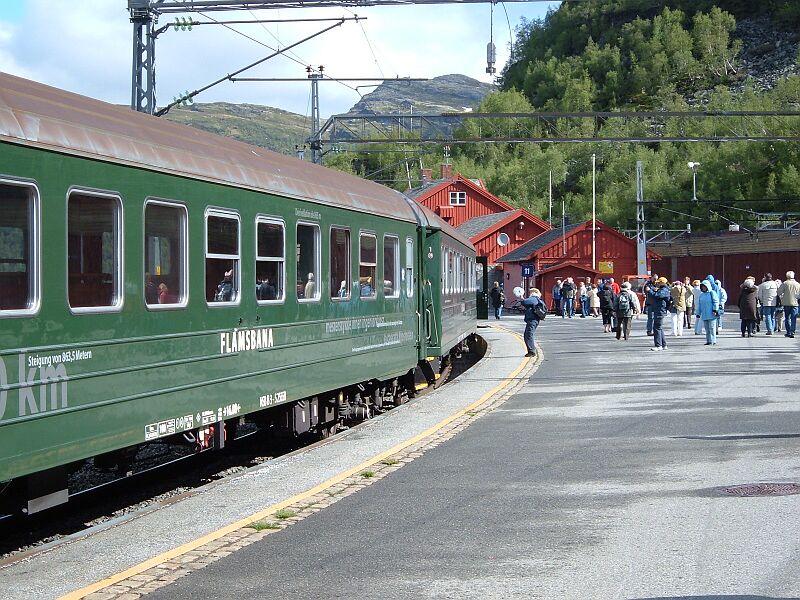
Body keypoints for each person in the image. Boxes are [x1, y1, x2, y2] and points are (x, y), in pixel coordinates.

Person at [646, 277, 671, 351]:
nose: (657, 284)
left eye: (659, 282)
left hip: (660, 310)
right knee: (659, 327)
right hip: (659, 309)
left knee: (656, 327)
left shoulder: (664, 290)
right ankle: (664, 345)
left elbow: (657, 296)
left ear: (662, 283)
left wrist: (650, 291)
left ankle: (658, 345)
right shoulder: (663, 289)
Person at [521, 287, 545, 357]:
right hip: (534, 319)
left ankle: (531, 351)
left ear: (533, 293)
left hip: (532, 319)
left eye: (530, 292)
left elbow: (525, 302)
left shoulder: (533, 298)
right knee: (528, 334)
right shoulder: (537, 299)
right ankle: (531, 350)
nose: (529, 294)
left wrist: (521, 297)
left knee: (528, 334)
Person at [696, 280, 720, 346]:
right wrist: (698, 313)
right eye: (702, 286)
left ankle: (713, 340)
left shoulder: (712, 293)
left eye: (704, 286)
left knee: (712, 328)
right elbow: (700, 305)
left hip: (712, 314)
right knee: (707, 329)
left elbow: (716, 302)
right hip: (704, 314)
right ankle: (708, 340)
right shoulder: (701, 295)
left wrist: (715, 310)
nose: (703, 288)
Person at [777, 270, 800, 338]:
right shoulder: (798, 284)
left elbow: (779, 292)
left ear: (787, 276)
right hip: (795, 303)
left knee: (787, 318)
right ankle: (792, 332)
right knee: (794, 318)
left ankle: (788, 332)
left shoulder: (785, 283)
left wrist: (782, 297)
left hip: (786, 303)